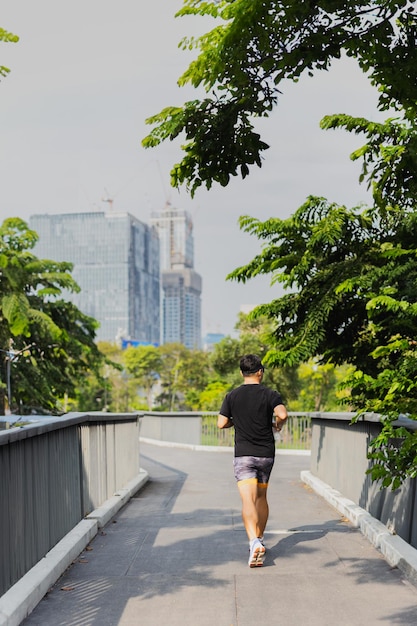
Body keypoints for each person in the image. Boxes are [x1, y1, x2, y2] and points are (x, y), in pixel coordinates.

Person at [217, 354, 288, 568]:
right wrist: (277, 424)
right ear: (260, 371)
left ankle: (253, 542)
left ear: (241, 373)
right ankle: (260, 538)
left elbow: (221, 423)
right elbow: (282, 414)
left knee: (247, 499)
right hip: (266, 453)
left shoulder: (233, 396)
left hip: (244, 454)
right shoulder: (269, 394)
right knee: (261, 497)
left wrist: (234, 422)